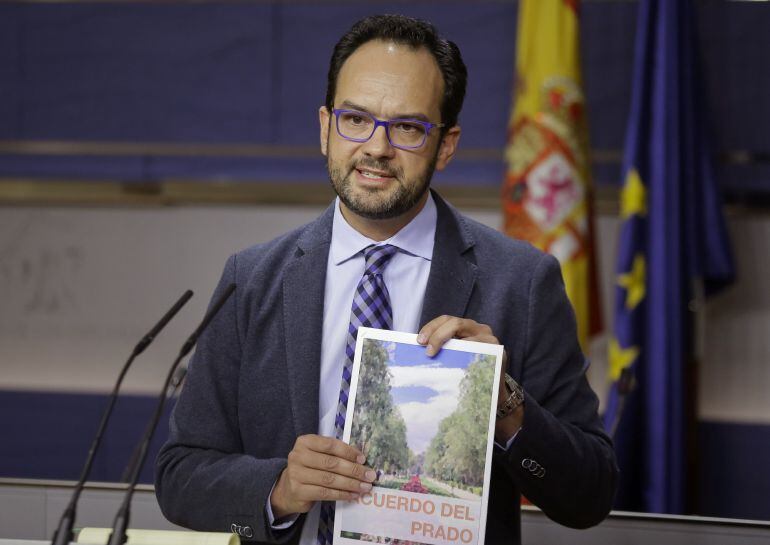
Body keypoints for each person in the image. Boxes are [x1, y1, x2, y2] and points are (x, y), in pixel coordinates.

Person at [155, 14, 618, 545]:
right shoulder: (253, 278)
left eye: (407, 127)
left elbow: (591, 496)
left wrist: (505, 404)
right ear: (326, 127)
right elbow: (180, 476)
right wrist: (278, 489)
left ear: (445, 144)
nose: (376, 148)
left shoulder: (521, 282)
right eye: (356, 119)